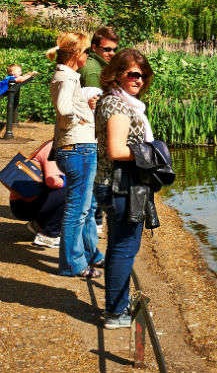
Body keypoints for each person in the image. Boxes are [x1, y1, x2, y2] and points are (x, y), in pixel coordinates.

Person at [95, 48, 155, 329]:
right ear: (117, 73)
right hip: (121, 186)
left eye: (143, 75)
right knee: (124, 248)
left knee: (118, 246)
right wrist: (152, 153)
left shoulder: (116, 101)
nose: (139, 79)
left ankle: (115, 305)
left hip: (115, 184)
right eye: (133, 74)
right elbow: (117, 150)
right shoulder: (118, 106)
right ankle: (116, 313)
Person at [47, 32, 103, 279]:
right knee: (77, 210)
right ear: (75, 54)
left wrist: (84, 104)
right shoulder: (66, 77)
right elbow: (63, 108)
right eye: (86, 52)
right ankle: (72, 264)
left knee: (83, 208)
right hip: (77, 147)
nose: (88, 56)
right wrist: (80, 117)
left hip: (77, 146)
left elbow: (69, 104)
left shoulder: (68, 76)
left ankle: (85, 256)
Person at [79, 27, 117, 231]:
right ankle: (95, 221)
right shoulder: (94, 70)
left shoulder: (96, 65)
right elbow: (93, 105)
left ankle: (95, 219)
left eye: (114, 49)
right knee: (95, 178)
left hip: (89, 132)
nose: (112, 53)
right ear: (94, 47)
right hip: (92, 133)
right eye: (107, 49)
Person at [8, 140, 67, 248]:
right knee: (72, 190)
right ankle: (48, 235)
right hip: (24, 203)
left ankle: (39, 224)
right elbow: (53, 181)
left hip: (28, 199)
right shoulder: (53, 147)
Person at [1, 64, 39, 139]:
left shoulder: (11, 77)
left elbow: (22, 77)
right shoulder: (11, 78)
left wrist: (28, 74)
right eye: (19, 71)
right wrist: (31, 74)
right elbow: (21, 79)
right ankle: (8, 132)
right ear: (12, 73)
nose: (21, 72)